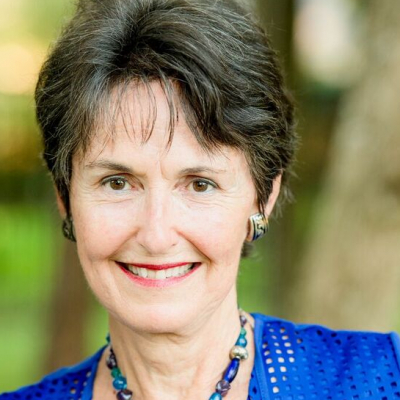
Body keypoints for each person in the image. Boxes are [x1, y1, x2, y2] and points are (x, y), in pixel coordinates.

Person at [1, 0, 400, 399]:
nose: (156, 236)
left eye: (199, 184)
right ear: (65, 196)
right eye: (117, 183)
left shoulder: (383, 379)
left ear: (263, 197)